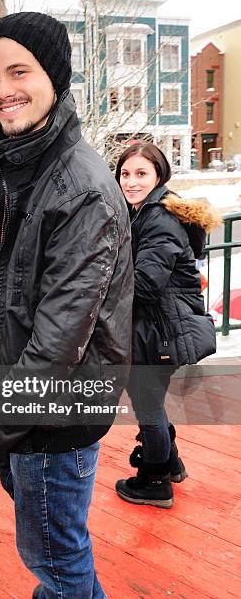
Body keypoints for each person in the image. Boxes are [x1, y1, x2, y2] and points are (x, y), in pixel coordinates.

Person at [0, 12, 133, 598]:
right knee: (54, 551)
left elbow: (57, 346)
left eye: (18, 71)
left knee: (56, 560)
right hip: (31, 412)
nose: (2, 90)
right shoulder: (28, 165)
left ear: (54, 75)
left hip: (52, 415)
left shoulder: (77, 189)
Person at [114, 142, 221, 508]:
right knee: (151, 402)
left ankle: (155, 480)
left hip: (158, 331)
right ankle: (170, 463)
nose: (131, 182)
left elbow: (144, 285)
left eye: (141, 173)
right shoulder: (144, 213)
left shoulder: (158, 219)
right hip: (158, 327)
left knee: (147, 406)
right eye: (125, 174)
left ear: (159, 175)